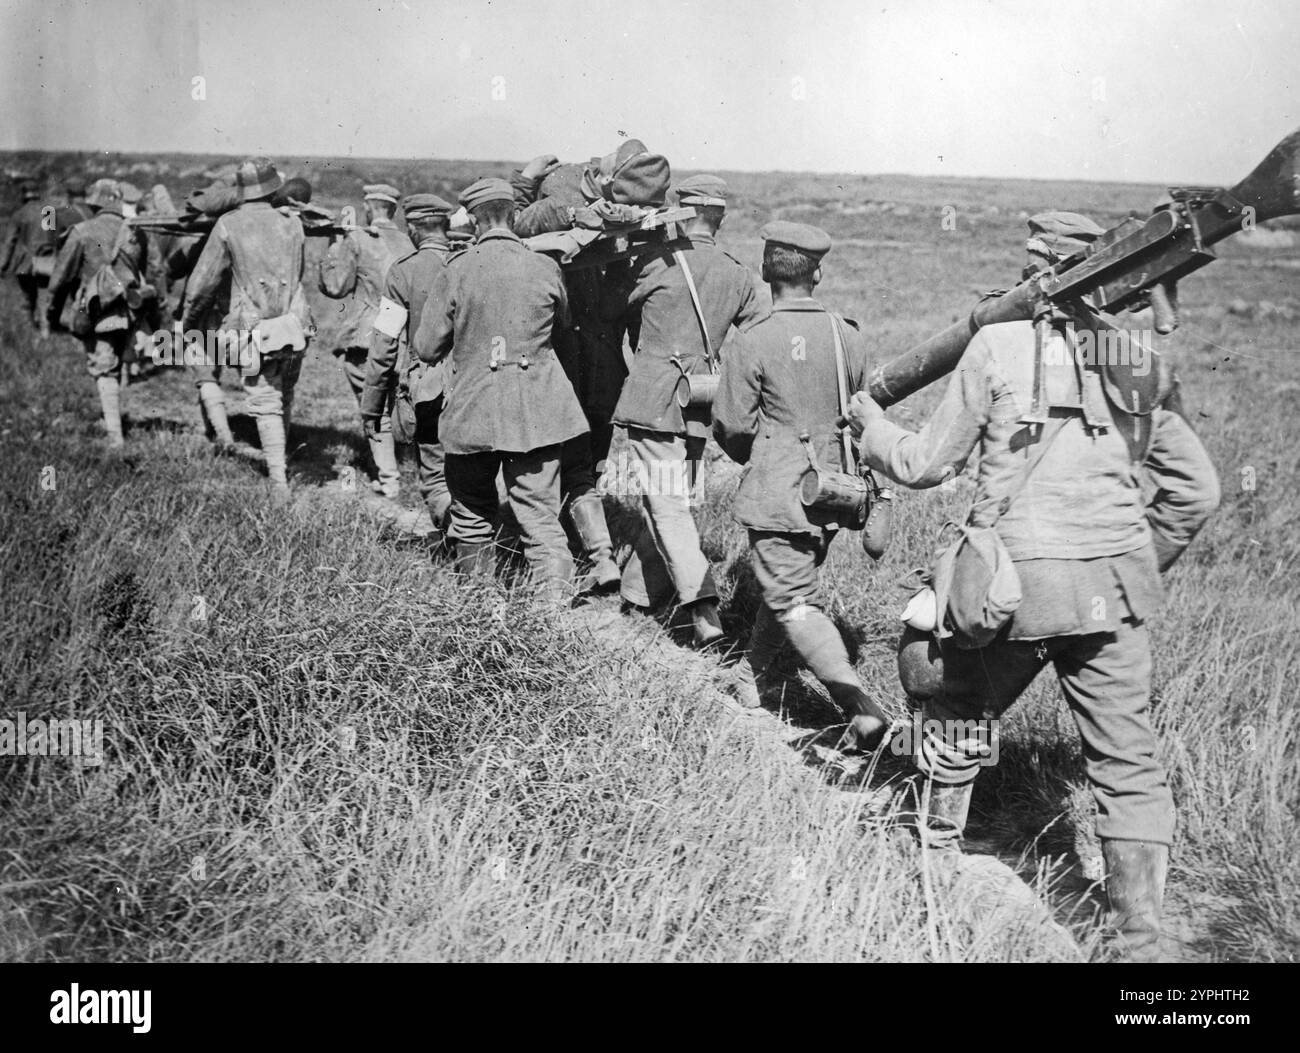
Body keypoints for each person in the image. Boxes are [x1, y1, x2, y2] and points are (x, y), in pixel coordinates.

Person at [847, 211, 1221, 962]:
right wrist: (1130, 564)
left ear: (1039, 269)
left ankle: (936, 852)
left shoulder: (998, 344)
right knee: (1128, 760)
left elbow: (924, 464)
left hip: (1011, 586)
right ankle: (1140, 940)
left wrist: (868, 426)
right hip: (1113, 589)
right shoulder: (1138, 358)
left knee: (945, 688)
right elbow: (1196, 492)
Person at [713, 221, 888, 749]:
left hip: (780, 493)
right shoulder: (847, 335)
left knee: (791, 598)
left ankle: (859, 705)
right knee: (790, 584)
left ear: (766, 269)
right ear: (818, 271)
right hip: (834, 493)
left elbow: (733, 426)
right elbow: (862, 414)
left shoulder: (753, 338)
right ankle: (753, 676)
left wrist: (764, 460)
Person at [412, 177, 588, 599]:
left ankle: (479, 612)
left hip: (472, 413)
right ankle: (552, 621)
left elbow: (426, 346)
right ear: (513, 216)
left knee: (472, 516)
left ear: (473, 221)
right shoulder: (546, 266)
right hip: (537, 414)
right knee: (542, 520)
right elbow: (563, 327)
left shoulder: (457, 269)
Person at [510, 139, 671, 590]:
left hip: (587, 362)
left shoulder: (638, 209)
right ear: (604, 181)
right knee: (573, 459)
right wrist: (529, 186)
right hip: (574, 355)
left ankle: (581, 553)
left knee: (579, 459)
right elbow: (515, 227)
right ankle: (590, 551)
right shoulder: (560, 196)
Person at [614, 175, 766, 647]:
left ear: (680, 209)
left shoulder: (655, 262)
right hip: (700, 403)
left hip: (655, 402)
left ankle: (704, 610)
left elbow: (615, 314)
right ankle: (637, 596)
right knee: (672, 501)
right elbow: (761, 334)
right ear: (719, 217)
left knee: (667, 505)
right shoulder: (737, 273)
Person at [181, 158, 314, 495]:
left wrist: (189, 322)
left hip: (252, 326)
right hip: (295, 323)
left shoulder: (228, 224)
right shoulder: (293, 224)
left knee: (266, 397)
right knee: (284, 391)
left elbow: (202, 284)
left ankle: (279, 482)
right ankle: (281, 461)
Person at [360, 192, 458, 536]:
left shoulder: (404, 272)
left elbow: (385, 346)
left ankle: (464, 547)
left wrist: (372, 407)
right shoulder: (469, 260)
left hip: (431, 391)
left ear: (413, 229)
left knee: (435, 477)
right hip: (479, 386)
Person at [319, 182, 413, 499]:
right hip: (404, 339)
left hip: (367, 339)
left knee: (374, 412)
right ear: (394, 210)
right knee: (393, 404)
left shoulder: (357, 239)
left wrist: (334, 245)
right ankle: (395, 468)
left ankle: (388, 478)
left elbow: (334, 286)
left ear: (369, 208)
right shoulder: (409, 242)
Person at [46, 179, 146, 448]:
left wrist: (52, 316)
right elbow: (152, 273)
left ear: (94, 203)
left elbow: (58, 281)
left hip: (94, 311)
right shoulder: (135, 231)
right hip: (130, 310)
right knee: (116, 362)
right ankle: (114, 421)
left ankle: (115, 438)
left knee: (104, 370)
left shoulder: (81, 232)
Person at [2, 178, 57, 333]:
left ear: (24, 195)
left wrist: (3, 265)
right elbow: (50, 236)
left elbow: (10, 242)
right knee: (44, 295)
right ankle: (45, 330)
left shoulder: (19, 214)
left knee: (28, 297)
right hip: (46, 259)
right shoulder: (48, 211)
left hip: (25, 263)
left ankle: (30, 328)